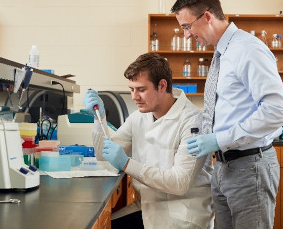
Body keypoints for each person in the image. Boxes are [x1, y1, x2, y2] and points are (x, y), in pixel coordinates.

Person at [171, 0, 283, 229]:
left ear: (207, 16)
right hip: (223, 167)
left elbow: (277, 110)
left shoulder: (247, 49)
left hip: (250, 167)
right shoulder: (221, 54)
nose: (186, 35)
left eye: (186, 26)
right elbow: (219, 110)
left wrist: (220, 139)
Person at [83, 53, 214, 229]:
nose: (134, 97)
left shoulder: (192, 122)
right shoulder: (139, 117)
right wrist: (99, 118)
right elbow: (102, 153)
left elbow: (179, 183)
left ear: (162, 85)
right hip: (150, 208)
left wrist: (127, 164)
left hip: (182, 216)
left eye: (141, 89)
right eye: (131, 89)